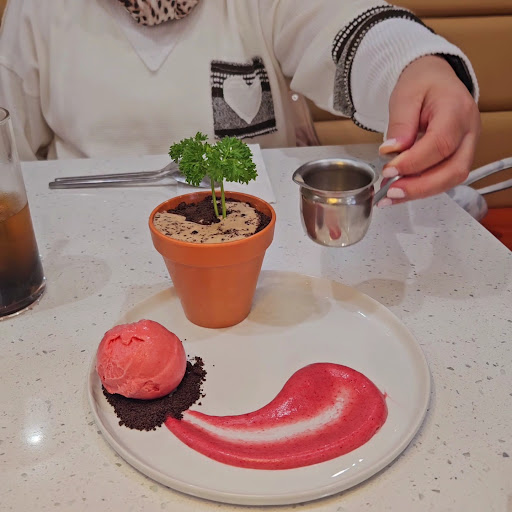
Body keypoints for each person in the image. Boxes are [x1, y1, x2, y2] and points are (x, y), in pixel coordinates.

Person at [0, 0, 480, 205]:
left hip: (263, 254)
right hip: (93, 251)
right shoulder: (38, 11)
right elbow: (11, 158)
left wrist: (414, 66)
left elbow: (339, 22)